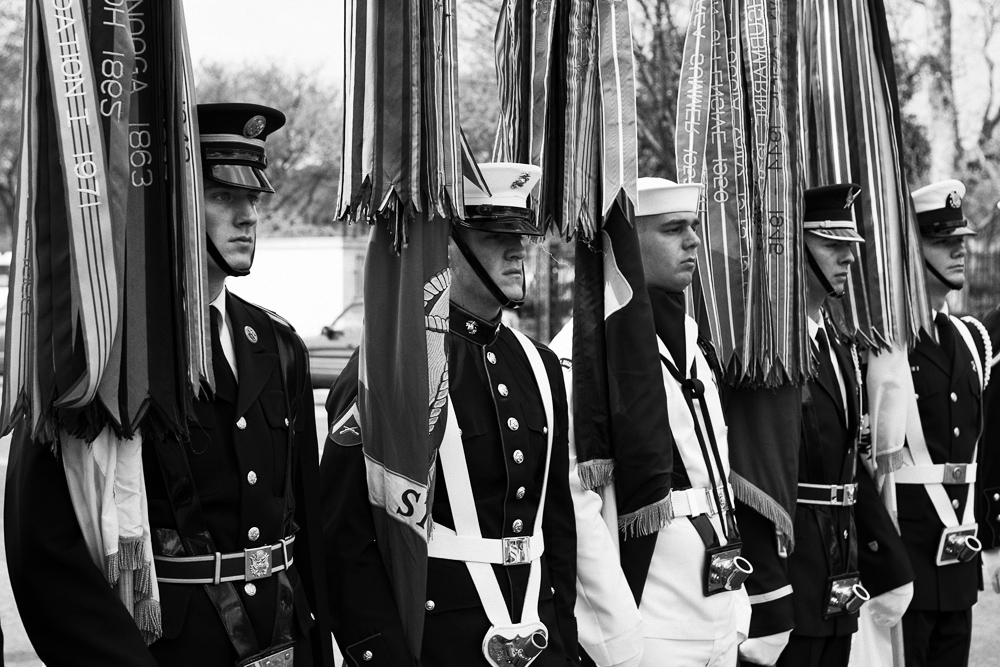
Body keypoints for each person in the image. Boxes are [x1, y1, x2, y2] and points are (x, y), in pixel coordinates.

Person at [5, 103, 333, 666]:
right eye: (224, 197)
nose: (248, 215)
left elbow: (309, 528)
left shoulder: (278, 345)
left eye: (253, 198)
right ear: (175, 204)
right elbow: (44, 547)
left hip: (285, 642)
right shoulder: (106, 352)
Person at [322, 163, 579, 666]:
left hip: (539, 635)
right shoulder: (394, 367)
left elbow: (556, 525)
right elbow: (345, 538)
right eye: (492, 235)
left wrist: (566, 641)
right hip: (442, 644)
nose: (516, 250)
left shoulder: (540, 364)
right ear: (446, 244)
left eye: (520, 235)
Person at [548, 177, 750, 667]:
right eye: (673, 228)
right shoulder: (582, 356)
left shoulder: (691, 341)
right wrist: (617, 634)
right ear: (626, 244)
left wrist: (738, 608)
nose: (694, 240)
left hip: (719, 616)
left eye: (695, 226)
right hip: (650, 628)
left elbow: (714, 479)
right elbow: (579, 507)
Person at [738, 184, 914, 667]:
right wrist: (769, 593)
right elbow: (754, 472)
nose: (848, 258)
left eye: (851, 247)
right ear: (795, 247)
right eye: (832, 245)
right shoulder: (769, 349)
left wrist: (885, 559)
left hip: (839, 570)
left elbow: (846, 471)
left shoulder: (836, 342)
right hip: (794, 572)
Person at [894, 179, 990, 667]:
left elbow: (981, 449)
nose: (959, 251)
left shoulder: (970, 340)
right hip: (905, 557)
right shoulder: (886, 343)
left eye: (961, 241)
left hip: (957, 558)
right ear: (912, 250)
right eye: (942, 241)